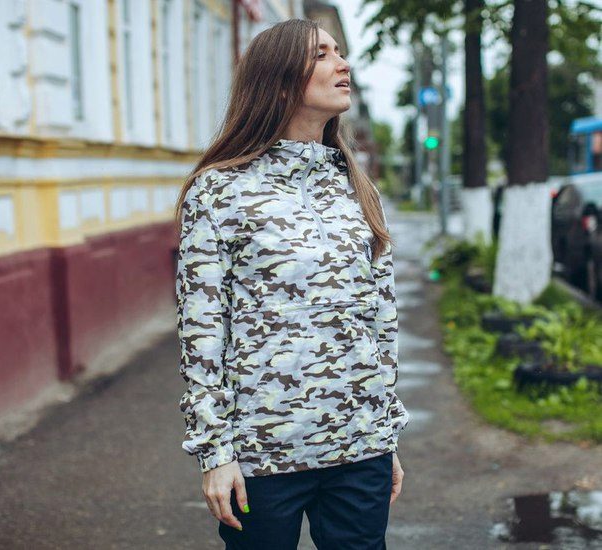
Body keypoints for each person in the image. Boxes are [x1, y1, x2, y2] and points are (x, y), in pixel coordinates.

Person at [174, 18, 410, 550]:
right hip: (262, 455)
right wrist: (216, 453)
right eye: (321, 55)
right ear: (279, 81)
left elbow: (382, 320)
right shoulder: (219, 191)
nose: (343, 64)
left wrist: (386, 433)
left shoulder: (358, 188)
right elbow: (202, 333)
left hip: (360, 449)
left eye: (339, 52)